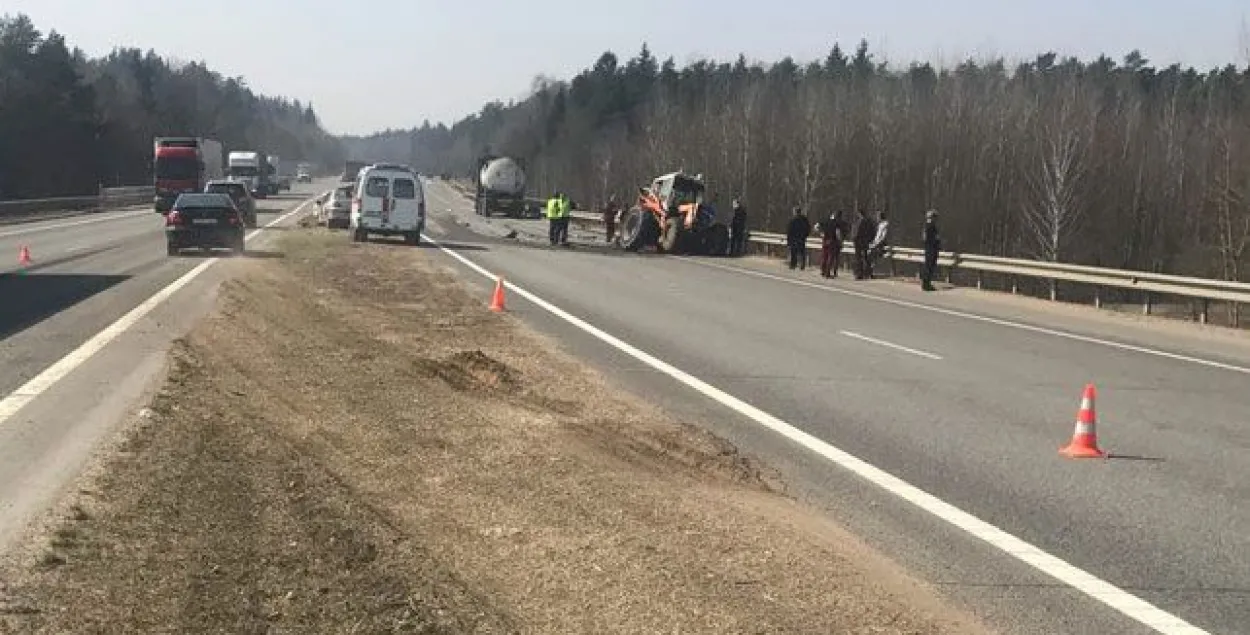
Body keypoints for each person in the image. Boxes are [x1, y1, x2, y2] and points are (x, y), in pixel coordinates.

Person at [819, 211, 848, 278]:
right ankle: (828, 272)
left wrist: (822, 234)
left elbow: (817, 227)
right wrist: (840, 241)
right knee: (831, 257)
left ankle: (823, 271)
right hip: (833, 241)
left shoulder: (826, 221)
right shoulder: (837, 224)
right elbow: (838, 234)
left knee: (824, 256)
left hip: (825, 241)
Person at [852, 209, 876, 279]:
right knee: (866, 257)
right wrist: (870, 240)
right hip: (866, 242)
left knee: (858, 258)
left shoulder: (858, 222)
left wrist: (854, 239)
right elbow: (872, 232)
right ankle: (868, 273)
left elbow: (856, 233)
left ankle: (859, 274)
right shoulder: (869, 222)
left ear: (860, 214)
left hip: (859, 242)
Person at [786, 206, 812, 271]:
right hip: (801, 238)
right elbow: (808, 228)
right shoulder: (804, 220)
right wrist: (805, 236)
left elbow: (789, 231)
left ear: (795, 212)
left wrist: (789, 241)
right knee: (801, 252)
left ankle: (793, 265)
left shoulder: (793, 220)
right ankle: (802, 265)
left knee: (794, 252)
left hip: (794, 239)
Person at [920, 209, 941, 291]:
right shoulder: (931, 226)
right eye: (935, 217)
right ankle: (926, 284)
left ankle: (925, 283)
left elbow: (924, 238)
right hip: (931, 249)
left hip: (928, 248)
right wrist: (936, 241)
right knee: (929, 266)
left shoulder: (926, 226)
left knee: (927, 266)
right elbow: (933, 238)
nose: (936, 219)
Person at [867, 211, 890, 278]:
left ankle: (871, 272)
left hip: (880, 244)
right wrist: (873, 242)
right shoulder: (880, 224)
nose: (877, 218)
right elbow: (877, 235)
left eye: (878, 216)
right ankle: (870, 272)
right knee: (870, 257)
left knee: (873, 257)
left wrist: (877, 243)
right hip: (875, 243)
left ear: (881, 217)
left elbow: (883, 236)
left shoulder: (885, 224)